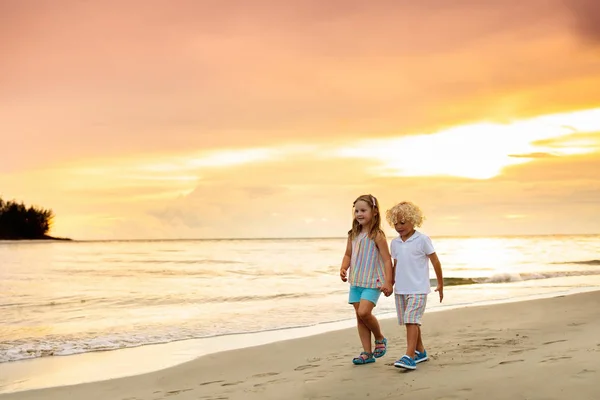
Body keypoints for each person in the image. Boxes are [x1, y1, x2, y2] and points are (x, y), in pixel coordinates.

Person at [385, 201, 443, 370]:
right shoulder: (395, 243)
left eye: (403, 222)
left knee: (412, 320)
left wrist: (440, 283)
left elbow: (435, 261)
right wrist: (390, 283)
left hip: (418, 288)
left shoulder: (422, 240)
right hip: (401, 289)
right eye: (395, 223)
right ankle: (421, 351)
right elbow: (397, 264)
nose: (398, 226)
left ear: (414, 220)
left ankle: (409, 356)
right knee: (410, 322)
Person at [339, 194, 393, 365]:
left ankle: (379, 338)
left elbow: (386, 259)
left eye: (363, 210)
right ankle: (367, 353)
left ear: (374, 212)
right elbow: (348, 254)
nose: (359, 214)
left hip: (372, 282)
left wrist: (388, 282)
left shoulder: (377, 235)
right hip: (356, 282)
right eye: (356, 211)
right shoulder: (353, 234)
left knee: (364, 312)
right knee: (359, 316)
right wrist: (343, 267)